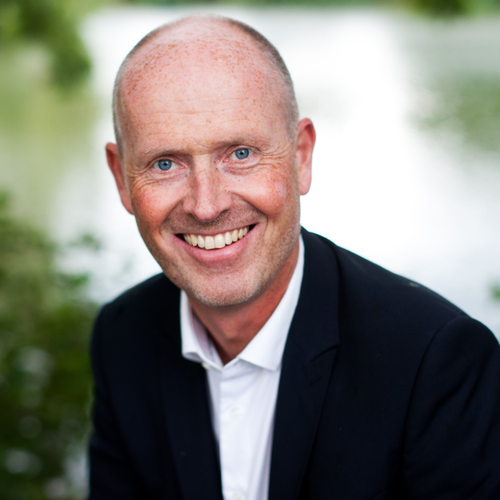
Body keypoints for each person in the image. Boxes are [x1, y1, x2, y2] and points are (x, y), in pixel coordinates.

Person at [89, 14, 500, 500]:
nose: (206, 205)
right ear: (120, 178)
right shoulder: (122, 335)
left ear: (302, 156)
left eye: (240, 154)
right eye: (164, 163)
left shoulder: (435, 362)